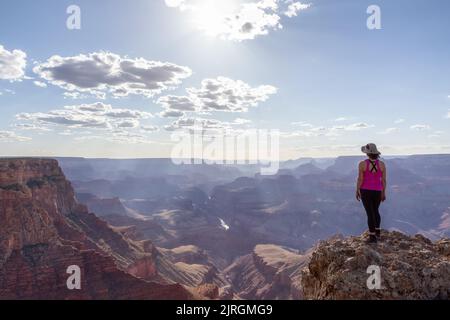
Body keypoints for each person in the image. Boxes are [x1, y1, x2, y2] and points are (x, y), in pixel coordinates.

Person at [356, 143, 387, 243]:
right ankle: (377, 231)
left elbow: (360, 179)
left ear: (367, 153)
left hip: (365, 191)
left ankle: (372, 236)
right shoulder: (382, 164)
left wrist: (357, 190)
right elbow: (384, 180)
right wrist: (383, 192)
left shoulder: (362, 164)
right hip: (377, 191)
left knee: (370, 213)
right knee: (376, 210)